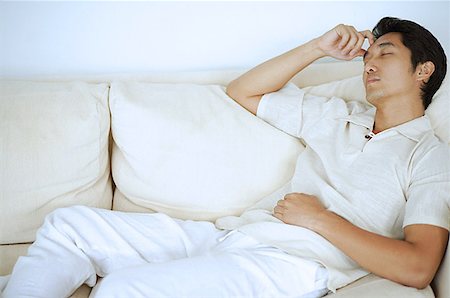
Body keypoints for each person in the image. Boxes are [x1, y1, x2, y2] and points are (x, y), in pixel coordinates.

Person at [2, 17, 449, 298]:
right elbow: (243, 91)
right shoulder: (336, 117)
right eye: (367, 56)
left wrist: (319, 220)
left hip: (291, 267)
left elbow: (417, 266)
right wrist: (317, 47)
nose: (369, 63)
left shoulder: (430, 157)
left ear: (423, 70)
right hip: (233, 235)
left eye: (385, 54)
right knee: (70, 225)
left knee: (123, 289)